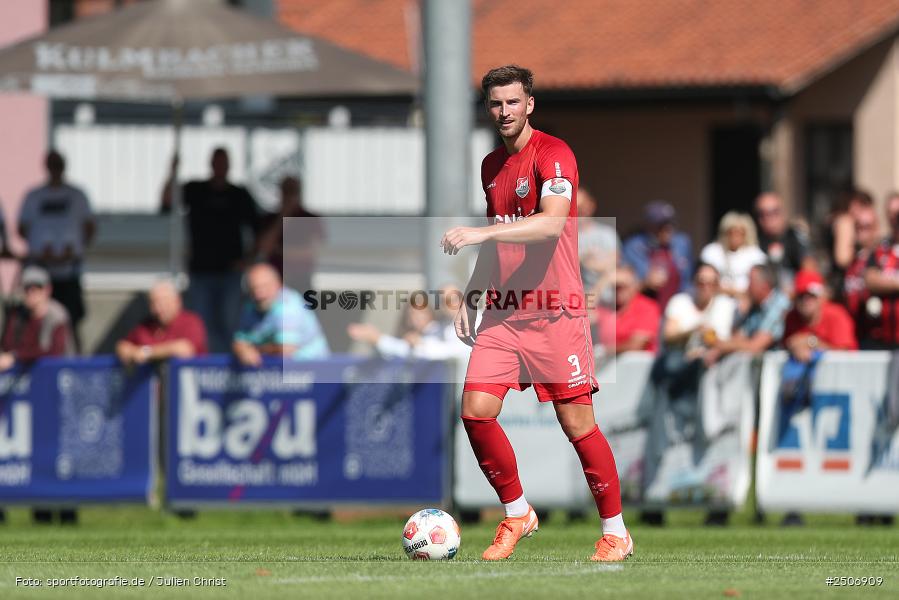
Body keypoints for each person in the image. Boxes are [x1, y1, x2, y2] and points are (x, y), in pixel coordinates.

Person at [439, 65, 632, 562]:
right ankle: (518, 512)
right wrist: (472, 294)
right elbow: (500, 236)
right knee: (475, 413)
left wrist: (481, 234)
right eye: (495, 104)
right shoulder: (489, 166)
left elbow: (548, 226)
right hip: (504, 318)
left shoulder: (555, 154)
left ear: (530, 104)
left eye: (512, 102)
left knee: (577, 424)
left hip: (555, 315)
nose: (503, 112)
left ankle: (616, 532)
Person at [160, 148, 262, 353]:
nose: (220, 167)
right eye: (217, 162)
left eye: (224, 163)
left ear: (229, 166)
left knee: (230, 323)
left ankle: (225, 369)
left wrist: (247, 260)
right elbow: (167, 203)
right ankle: (204, 367)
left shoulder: (239, 194)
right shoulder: (195, 189)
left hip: (230, 273)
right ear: (211, 164)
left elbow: (258, 229)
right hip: (200, 271)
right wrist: (172, 172)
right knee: (201, 323)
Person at [0, 266, 76, 525]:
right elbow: (8, 344)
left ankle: (67, 512)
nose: (31, 293)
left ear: (48, 290)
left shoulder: (57, 316)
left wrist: (17, 358)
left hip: (57, 395)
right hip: (26, 398)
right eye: (28, 288)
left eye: (37, 288)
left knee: (58, 454)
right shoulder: (17, 316)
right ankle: (40, 511)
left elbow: (51, 353)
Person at [18, 150, 96, 351]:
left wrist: (69, 253)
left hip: (68, 272)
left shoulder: (77, 195)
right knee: (35, 321)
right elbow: (22, 228)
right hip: (40, 272)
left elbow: (89, 228)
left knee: (70, 323)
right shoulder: (34, 196)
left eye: (58, 165)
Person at [232, 262, 329, 367]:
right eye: (254, 288)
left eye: (265, 287)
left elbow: (286, 350)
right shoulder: (250, 306)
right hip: (277, 375)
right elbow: (238, 341)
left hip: (314, 373)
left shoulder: (289, 305)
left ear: (278, 284)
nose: (259, 293)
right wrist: (243, 350)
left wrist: (254, 349)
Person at [347, 285, 469, 360]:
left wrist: (377, 338)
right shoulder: (442, 329)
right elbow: (404, 350)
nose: (449, 304)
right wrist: (376, 339)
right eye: (443, 301)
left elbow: (454, 352)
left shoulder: (474, 323)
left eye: (453, 298)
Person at [704, 263, 790, 367]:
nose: (747, 287)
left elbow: (755, 346)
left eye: (750, 282)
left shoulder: (779, 304)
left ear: (764, 286)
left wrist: (721, 346)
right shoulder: (754, 305)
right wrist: (741, 313)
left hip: (776, 370)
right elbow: (740, 337)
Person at [257, 175, 324, 294]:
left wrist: (280, 251)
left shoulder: (310, 219)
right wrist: (283, 217)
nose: (289, 196)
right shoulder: (270, 219)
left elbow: (313, 253)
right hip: (275, 283)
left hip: (301, 280)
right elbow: (264, 248)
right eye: (286, 191)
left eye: (293, 191)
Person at [116, 280, 208, 366]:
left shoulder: (191, 321)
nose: (159, 308)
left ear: (177, 301)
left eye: (163, 302)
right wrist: (133, 353)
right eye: (153, 303)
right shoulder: (147, 325)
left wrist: (147, 353)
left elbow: (185, 350)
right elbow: (123, 346)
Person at [622, 200, 692, 310]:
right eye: (661, 225)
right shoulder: (634, 246)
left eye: (670, 224)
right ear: (649, 226)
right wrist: (645, 283)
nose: (667, 229)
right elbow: (622, 287)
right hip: (644, 308)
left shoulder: (681, 243)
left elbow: (687, 281)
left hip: (675, 311)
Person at [663, 263, 735, 358]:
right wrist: (694, 332)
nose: (706, 287)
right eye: (701, 282)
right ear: (694, 282)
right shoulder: (679, 301)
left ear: (717, 286)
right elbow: (669, 336)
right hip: (679, 357)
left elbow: (727, 341)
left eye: (711, 283)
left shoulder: (726, 306)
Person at [783, 269, 857, 362]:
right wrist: (793, 346)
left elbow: (845, 354)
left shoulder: (836, 315)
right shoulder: (792, 317)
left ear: (821, 297)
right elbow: (787, 344)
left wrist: (811, 342)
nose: (806, 300)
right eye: (801, 295)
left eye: (811, 295)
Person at [595, 265, 661, 355]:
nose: (619, 290)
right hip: (607, 363)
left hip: (634, 365)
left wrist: (603, 350)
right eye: (615, 286)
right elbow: (582, 313)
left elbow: (636, 345)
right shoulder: (606, 306)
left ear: (634, 286)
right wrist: (604, 281)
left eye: (623, 286)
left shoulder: (647, 307)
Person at [699, 212, 767, 297]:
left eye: (740, 233)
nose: (735, 237)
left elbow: (759, 285)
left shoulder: (756, 255)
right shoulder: (712, 252)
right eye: (731, 232)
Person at [863, 192, 899, 349]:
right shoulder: (880, 249)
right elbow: (870, 280)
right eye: (891, 213)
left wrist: (886, 281)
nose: (895, 218)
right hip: (883, 335)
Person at [754, 192, 810, 290]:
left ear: (783, 213)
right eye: (762, 214)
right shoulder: (755, 240)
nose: (768, 219)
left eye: (773, 212)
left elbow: (808, 268)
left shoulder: (794, 236)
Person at [843, 204, 881, 347]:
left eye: (866, 227)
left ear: (876, 229)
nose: (861, 232)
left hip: (878, 335)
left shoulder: (883, 258)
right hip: (854, 333)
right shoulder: (852, 260)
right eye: (857, 227)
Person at [576, 186, 620, 301]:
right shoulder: (564, 238)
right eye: (576, 208)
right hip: (576, 301)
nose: (581, 211)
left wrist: (595, 294)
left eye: (583, 206)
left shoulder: (607, 234)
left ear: (591, 205)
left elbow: (612, 267)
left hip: (605, 301)